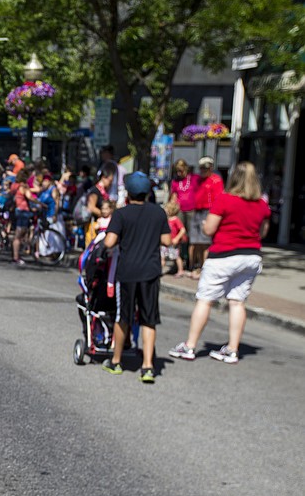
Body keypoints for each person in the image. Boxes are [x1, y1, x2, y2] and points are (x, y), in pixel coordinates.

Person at [169, 161, 271, 364]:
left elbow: (209, 230)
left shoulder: (225, 200)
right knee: (237, 301)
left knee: (205, 299)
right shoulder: (262, 205)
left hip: (224, 255)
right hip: (250, 256)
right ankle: (232, 349)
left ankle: (190, 346)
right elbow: (263, 232)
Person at [101, 172, 171, 382]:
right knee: (149, 319)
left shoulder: (122, 214)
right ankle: (148, 366)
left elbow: (109, 242)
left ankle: (116, 361)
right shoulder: (158, 213)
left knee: (124, 317)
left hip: (128, 272)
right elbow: (167, 240)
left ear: (128, 193)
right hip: (150, 272)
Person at [188, 156, 222, 278]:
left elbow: (218, 198)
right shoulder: (197, 180)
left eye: (206, 168)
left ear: (211, 168)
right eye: (201, 168)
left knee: (205, 242)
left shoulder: (215, 180)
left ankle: (205, 268)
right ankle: (196, 266)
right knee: (196, 241)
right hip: (197, 210)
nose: (203, 170)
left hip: (208, 211)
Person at [9, 168, 35, 265]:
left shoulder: (14, 185)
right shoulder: (23, 186)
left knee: (20, 234)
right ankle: (16, 257)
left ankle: (17, 255)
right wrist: (40, 203)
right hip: (23, 210)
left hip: (16, 210)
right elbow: (29, 197)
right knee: (18, 235)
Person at [162, 197, 186, 277]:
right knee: (162, 255)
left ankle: (180, 270)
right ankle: (159, 270)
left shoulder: (175, 219)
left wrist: (177, 238)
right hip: (166, 242)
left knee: (176, 256)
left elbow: (182, 230)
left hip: (173, 242)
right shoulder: (166, 219)